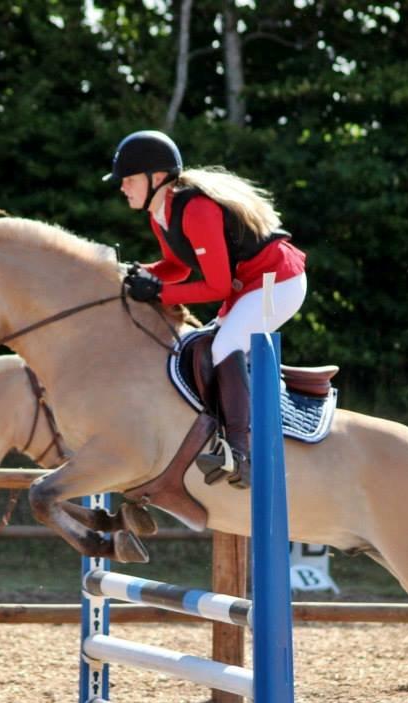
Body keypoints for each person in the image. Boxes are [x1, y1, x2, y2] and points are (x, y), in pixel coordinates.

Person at [105, 129, 308, 489]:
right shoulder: (160, 214)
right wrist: (137, 274)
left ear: (156, 178)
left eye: (130, 179)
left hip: (278, 282)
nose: (123, 187)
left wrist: (159, 292)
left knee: (224, 345)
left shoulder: (196, 209)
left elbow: (214, 285)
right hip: (249, 286)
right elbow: (178, 267)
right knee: (202, 346)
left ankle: (242, 455)